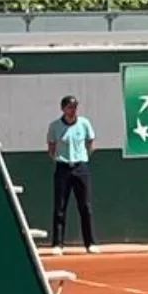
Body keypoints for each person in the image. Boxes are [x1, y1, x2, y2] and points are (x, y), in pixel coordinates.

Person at [46, 95, 98, 255]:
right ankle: (58, 245)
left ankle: (90, 243)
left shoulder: (84, 123)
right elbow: (51, 147)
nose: (72, 110)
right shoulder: (54, 126)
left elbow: (90, 142)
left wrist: (83, 158)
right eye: (69, 107)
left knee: (85, 207)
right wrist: (60, 159)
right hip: (62, 168)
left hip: (80, 168)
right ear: (63, 109)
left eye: (74, 107)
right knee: (60, 208)